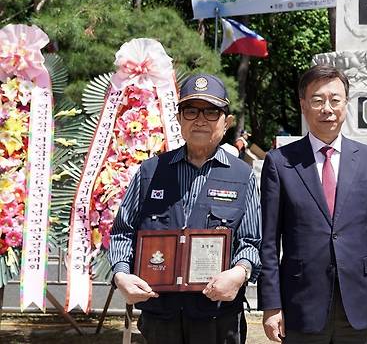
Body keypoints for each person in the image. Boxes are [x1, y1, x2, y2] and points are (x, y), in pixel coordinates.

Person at [109, 73, 261, 344]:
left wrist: (239, 273)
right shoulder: (150, 172)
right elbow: (122, 232)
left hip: (217, 318)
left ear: (226, 123)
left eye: (211, 112)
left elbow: (250, 242)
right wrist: (121, 274)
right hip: (159, 317)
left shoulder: (243, 176)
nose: (200, 119)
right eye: (191, 111)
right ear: (178, 119)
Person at [258, 64, 367, 344]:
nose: (327, 108)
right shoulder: (280, 162)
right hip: (302, 302)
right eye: (318, 100)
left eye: (335, 100)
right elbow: (270, 242)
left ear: (346, 104)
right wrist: (271, 304)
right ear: (303, 105)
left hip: (361, 301)